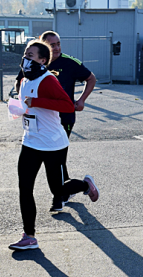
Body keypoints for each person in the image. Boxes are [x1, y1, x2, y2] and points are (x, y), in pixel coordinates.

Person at [9, 40, 100, 251]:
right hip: (30, 140)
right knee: (25, 188)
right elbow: (28, 105)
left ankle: (85, 185)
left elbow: (67, 105)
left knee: (58, 188)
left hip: (52, 144)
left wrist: (36, 102)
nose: (26, 58)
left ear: (42, 60)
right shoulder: (23, 78)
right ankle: (29, 236)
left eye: (30, 55)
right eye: (25, 54)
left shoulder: (47, 79)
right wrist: (19, 108)